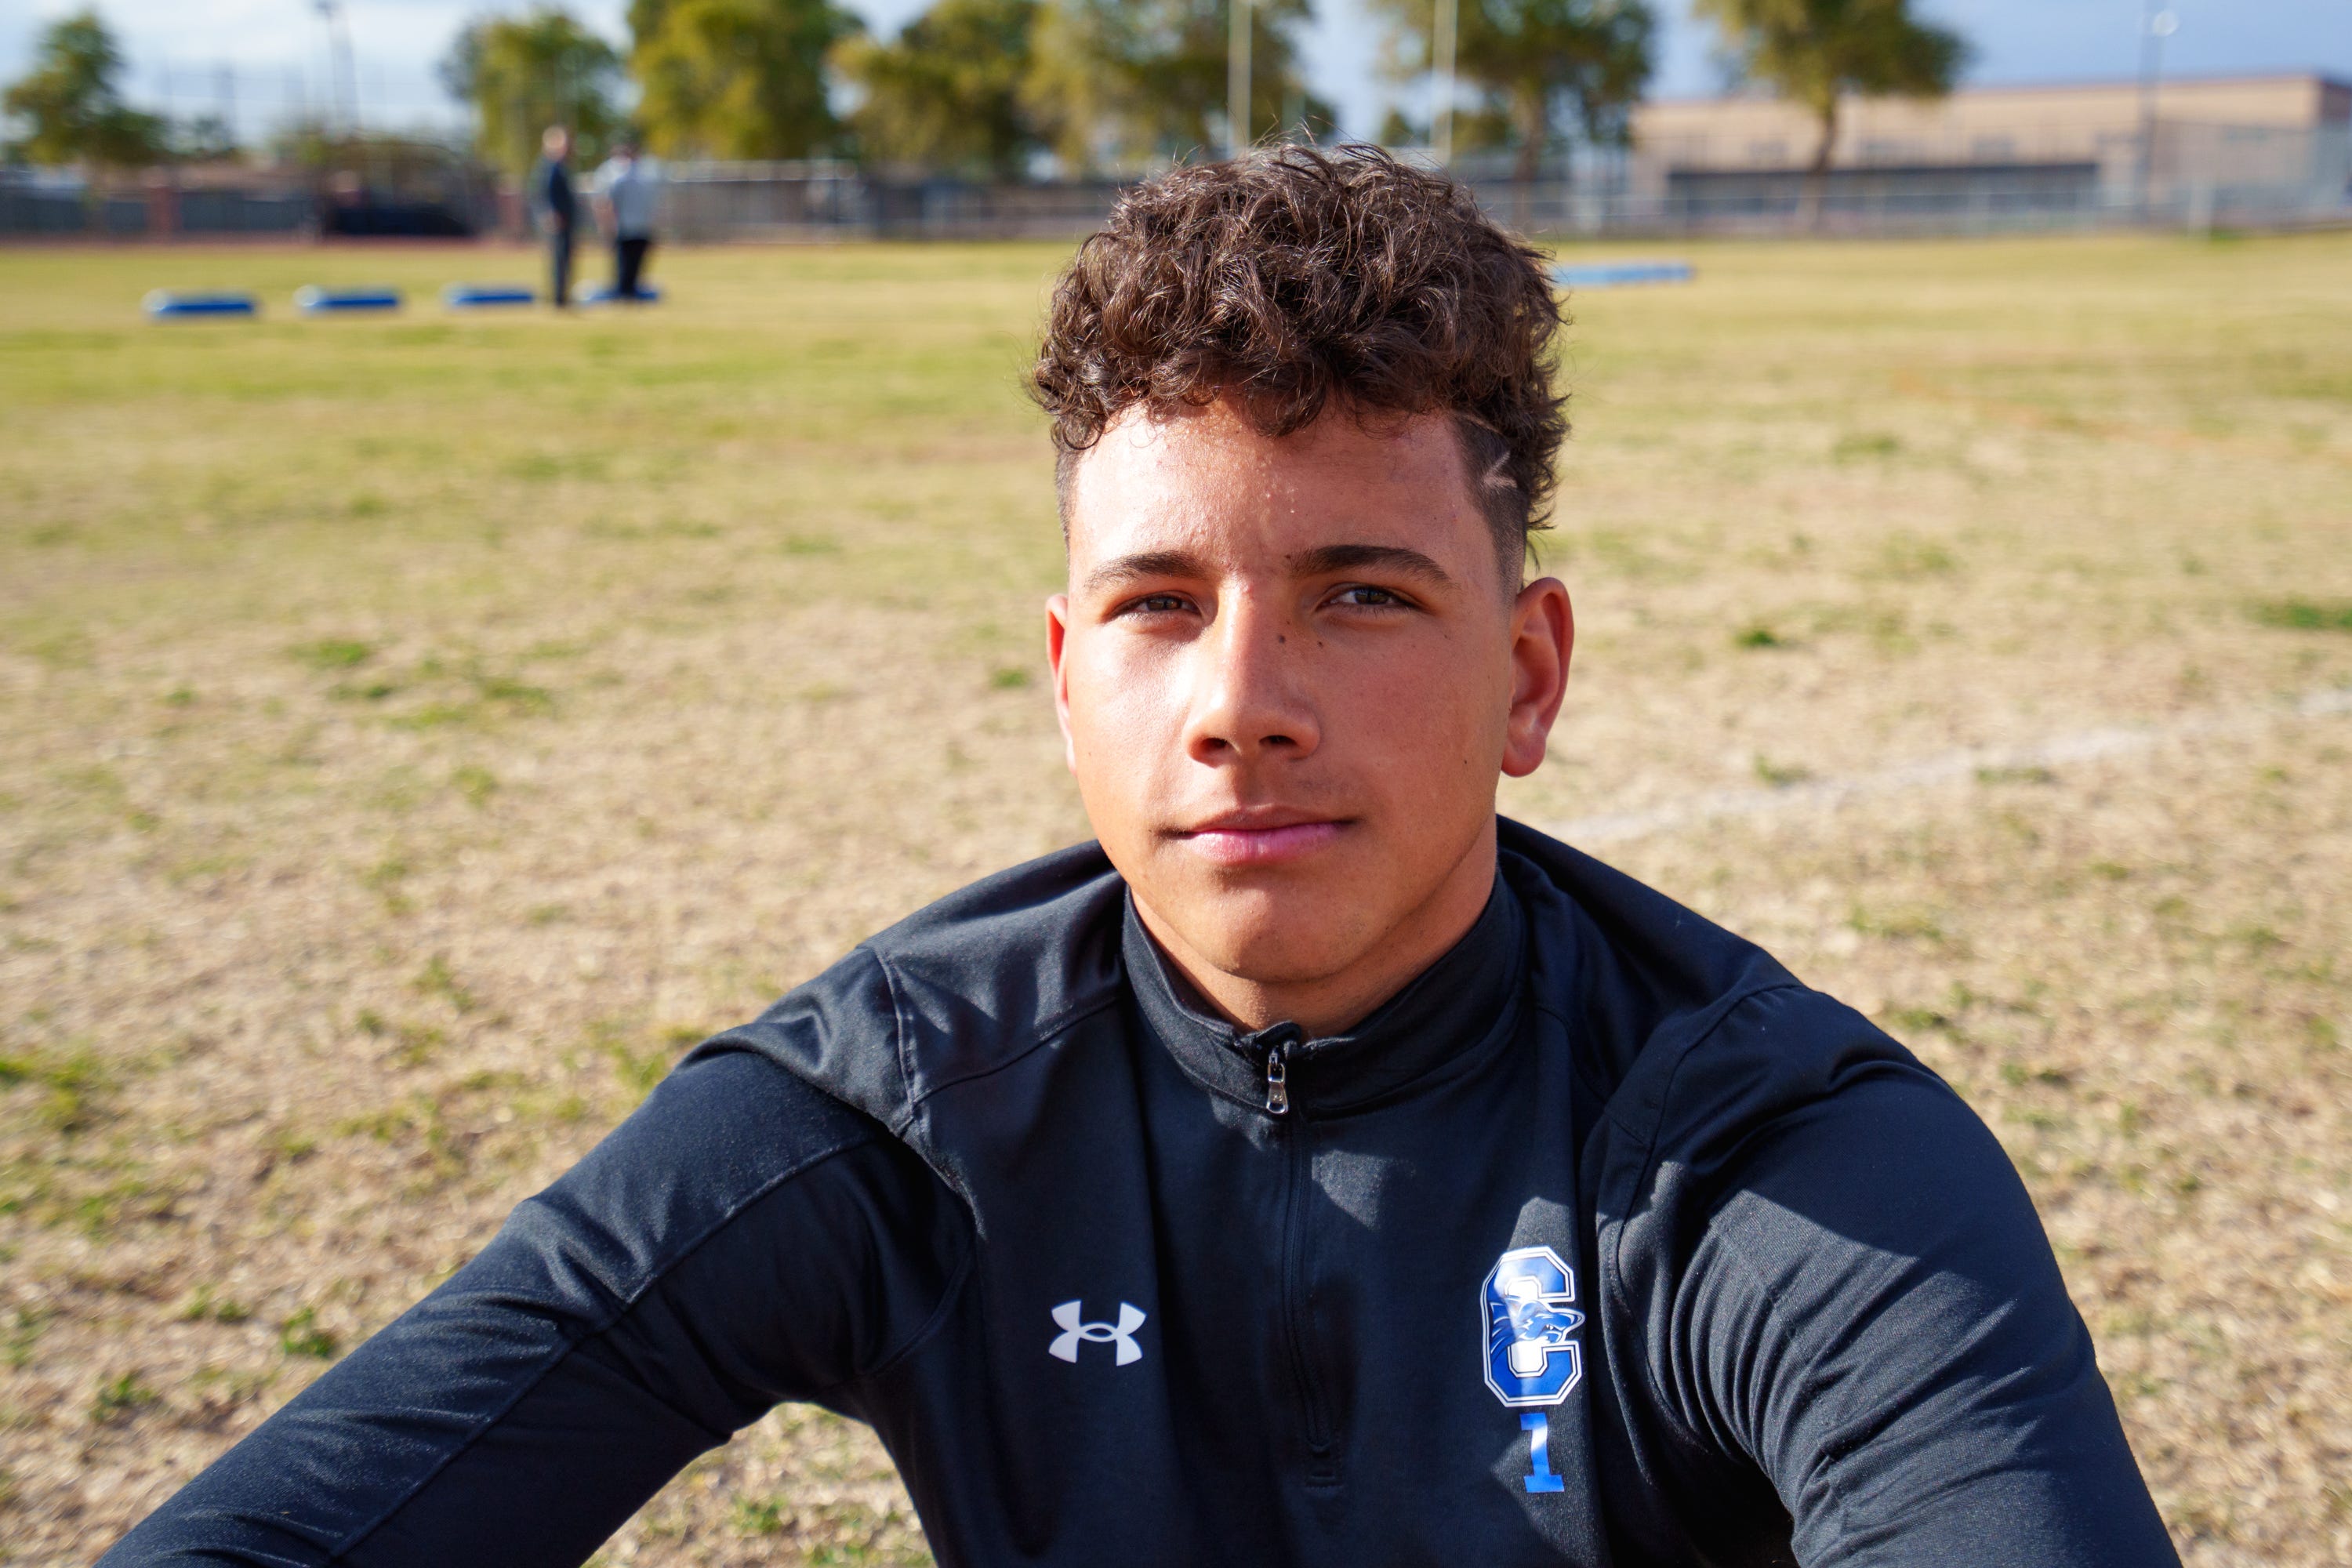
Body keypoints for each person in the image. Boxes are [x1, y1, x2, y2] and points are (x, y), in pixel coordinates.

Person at [101, 147, 2180, 1567]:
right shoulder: (900, 1112)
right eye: (1159, 604)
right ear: (1064, 675)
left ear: (1529, 676)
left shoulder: (1771, 1157)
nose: (1239, 700)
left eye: (1363, 594)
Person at [591, 138, 661, 300]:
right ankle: (624, 293)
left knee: (635, 266)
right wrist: (607, 225)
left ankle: (629, 293)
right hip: (623, 227)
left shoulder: (645, 173)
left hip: (639, 226)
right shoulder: (614, 174)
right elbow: (604, 202)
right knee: (624, 266)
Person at [530, 125, 576, 309]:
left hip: (564, 220)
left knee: (564, 259)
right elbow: (540, 193)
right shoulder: (548, 167)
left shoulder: (560, 166)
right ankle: (559, 299)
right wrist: (547, 213)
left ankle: (563, 297)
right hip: (556, 221)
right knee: (558, 259)